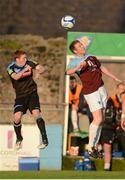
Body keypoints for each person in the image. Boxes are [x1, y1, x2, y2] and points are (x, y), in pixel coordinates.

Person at [66, 37, 121, 158]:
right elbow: (68, 71)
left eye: (82, 45)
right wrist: (77, 68)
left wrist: (113, 77)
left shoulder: (91, 57)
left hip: (101, 89)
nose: (82, 46)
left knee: (101, 120)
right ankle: (90, 146)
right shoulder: (75, 60)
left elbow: (101, 68)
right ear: (75, 51)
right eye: (79, 46)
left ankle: (94, 146)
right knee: (97, 119)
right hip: (91, 91)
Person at [6, 50, 48, 150]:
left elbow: (41, 68)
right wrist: (24, 70)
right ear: (17, 59)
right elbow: (16, 77)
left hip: (32, 93)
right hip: (20, 96)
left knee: (37, 114)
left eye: (26, 57)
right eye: (23, 58)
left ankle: (45, 139)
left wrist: (38, 71)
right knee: (17, 117)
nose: (25, 59)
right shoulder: (10, 68)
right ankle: (19, 138)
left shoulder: (29, 62)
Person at [100, 82, 125, 170]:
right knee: (107, 145)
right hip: (110, 126)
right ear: (117, 90)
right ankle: (107, 166)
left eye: (124, 90)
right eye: (121, 89)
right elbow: (108, 116)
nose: (122, 92)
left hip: (121, 127)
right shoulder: (111, 100)